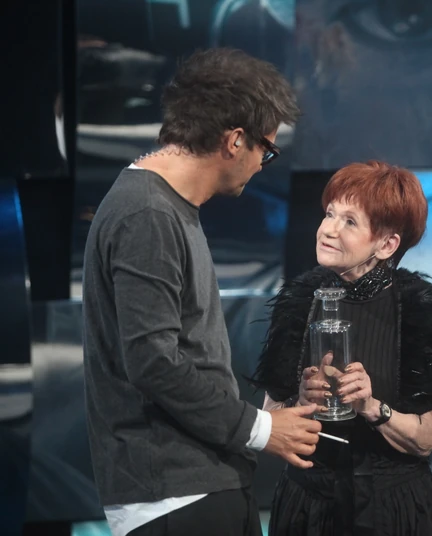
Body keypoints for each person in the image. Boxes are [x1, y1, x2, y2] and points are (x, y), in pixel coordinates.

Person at [82, 48, 322, 536]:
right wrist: (260, 429)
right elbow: (153, 361)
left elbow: (185, 350)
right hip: (176, 495)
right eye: (266, 150)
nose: (263, 166)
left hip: (198, 485)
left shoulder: (164, 207)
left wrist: (257, 413)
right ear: (235, 141)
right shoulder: (148, 214)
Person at [251, 161, 432, 536]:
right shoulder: (299, 298)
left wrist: (371, 406)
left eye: (349, 222)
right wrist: (301, 401)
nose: (328, 229)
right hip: (308, 505)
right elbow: (270, 418)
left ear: (387, 244)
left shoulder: (416, 307)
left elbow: (425, 440)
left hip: (393, 508)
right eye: (329, 214)